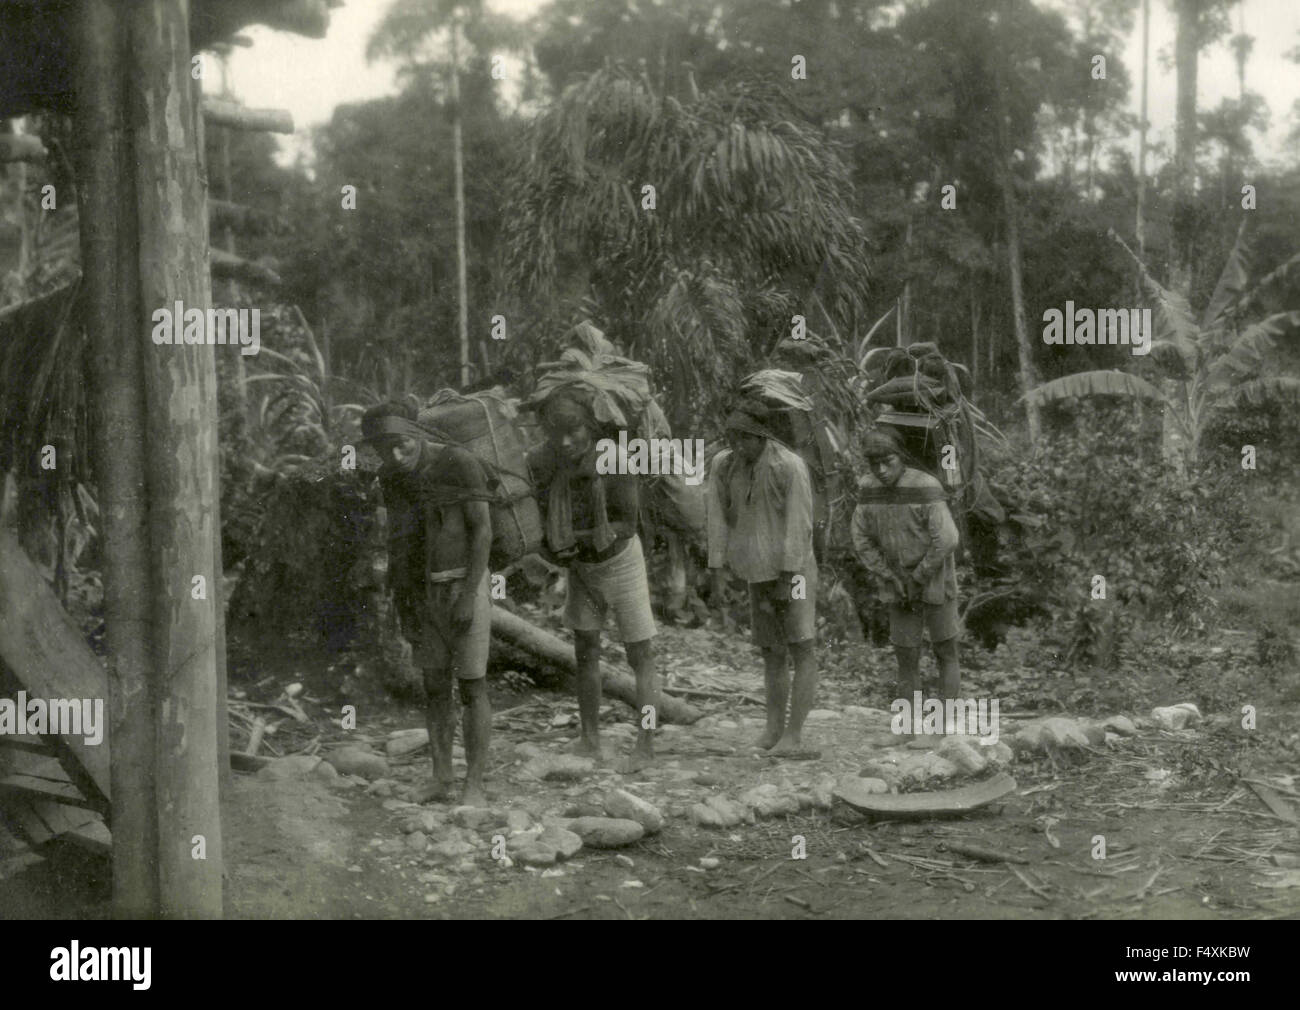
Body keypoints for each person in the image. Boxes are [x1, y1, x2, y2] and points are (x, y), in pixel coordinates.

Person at [362, 401, 493, 805]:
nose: (396, 456)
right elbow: (399, 541)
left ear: (416, 433)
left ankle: (474, 782)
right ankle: (440, 776)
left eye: (402, 445)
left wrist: (469, 595)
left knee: (472, 685)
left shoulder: (458, 462)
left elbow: (482, 530)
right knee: (434, 685)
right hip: (419, 593)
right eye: (385, 450)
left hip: (461, 586)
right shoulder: (391, 478)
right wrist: (403, 601)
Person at [527, 390, 661, 774]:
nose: (566, 443)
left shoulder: (614, 458)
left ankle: (646, 745)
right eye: (557, 435)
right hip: (581, 569)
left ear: (590, 425)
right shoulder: (544, 461)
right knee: (585, 650)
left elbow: (626, 524)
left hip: (621, 565)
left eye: (574, 432)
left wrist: (570, 537)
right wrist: (554, 547)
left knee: (640, 655)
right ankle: (589, 738)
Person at [707, 405, 820, 758]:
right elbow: (717, 517)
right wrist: (717, 568)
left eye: (747, 438)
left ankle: (795, 735)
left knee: (801, 644)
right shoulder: (725, 465)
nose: (740, 446)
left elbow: (799, 525)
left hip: (795, 569)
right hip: (757, 568)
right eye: (734, 438)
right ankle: (773, 728)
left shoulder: (788, 466)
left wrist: (786, 580)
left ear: (764, 436)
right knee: (771, 650)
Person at [850, 427, 961, 734]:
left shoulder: (926, 486)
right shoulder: (868, 488)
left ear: (902, 457)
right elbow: (861, 539)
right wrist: (888, 575)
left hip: (935, 579)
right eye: (874, 464)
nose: (882, 470)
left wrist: (920, 575)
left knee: (945, 650)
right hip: (896, 584)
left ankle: (943, 728)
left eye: (888, 461)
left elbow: (947, 539)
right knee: (906, 656)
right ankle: (909, 728)